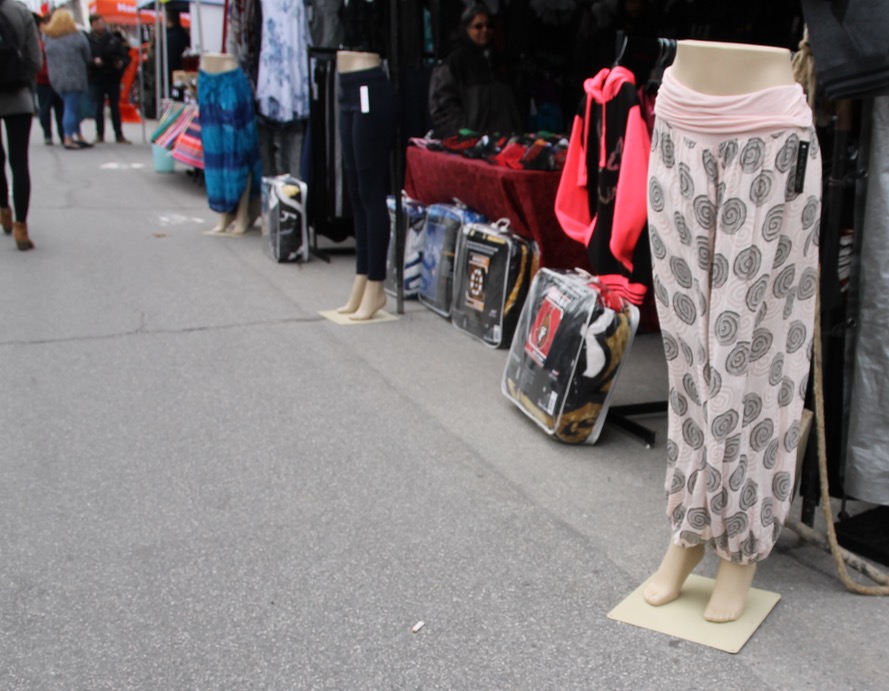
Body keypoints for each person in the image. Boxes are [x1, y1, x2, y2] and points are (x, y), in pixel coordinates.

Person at [642, 39, 821, 623]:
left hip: (771, 137)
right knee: (688, 355)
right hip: (679, 120)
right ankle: (690, 528)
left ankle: (740, 547)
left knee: (758, 356)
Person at [428, 3, 523, 138]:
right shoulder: (455, 62)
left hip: (504, 140)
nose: (485, 30)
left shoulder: (498, 59)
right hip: (472, 143)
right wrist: (463, 131)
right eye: (478, 26)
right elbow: (441, 105)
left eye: (488, 25)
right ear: (466, 29)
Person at [0, 0, 41, 250]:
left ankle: (3, 209)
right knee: (19, 162)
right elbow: (35, 60)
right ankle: (21, 228)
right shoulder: (20, 12)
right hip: (18, 97)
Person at [41, 9, 92, 151]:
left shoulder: (47, 37)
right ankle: (68, 137)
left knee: (70, 107)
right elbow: (87, 55)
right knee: (71, 108)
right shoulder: (77, 36)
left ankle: (78, 135)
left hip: (56, 78)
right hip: (75, 76)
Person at [87, 14, 131, 144]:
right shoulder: (89, 40)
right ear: (93, 25)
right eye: (98, 23)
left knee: (115, 107)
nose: (101, 26)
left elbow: (126, 57)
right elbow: (84, 58)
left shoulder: (113, 39)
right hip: (96, 78)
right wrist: (93, 61)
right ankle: (99, 134)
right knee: (98, 107)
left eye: (102, 23)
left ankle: (119, 134)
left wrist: (121, 63)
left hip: (112, 78)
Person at [34, 12, 64, 146]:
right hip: (44, 81)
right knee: (45, 110)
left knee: (60, 109)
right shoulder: (41, 41)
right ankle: (48, 134)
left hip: (58, 80)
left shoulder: (61, 39)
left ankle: (63, 134)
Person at [165, 10, 190, 89]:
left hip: (172, 78)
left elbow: (169, 61)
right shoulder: (184, 34)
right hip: (184, 75)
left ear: (167, 19)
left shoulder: (169, 37)